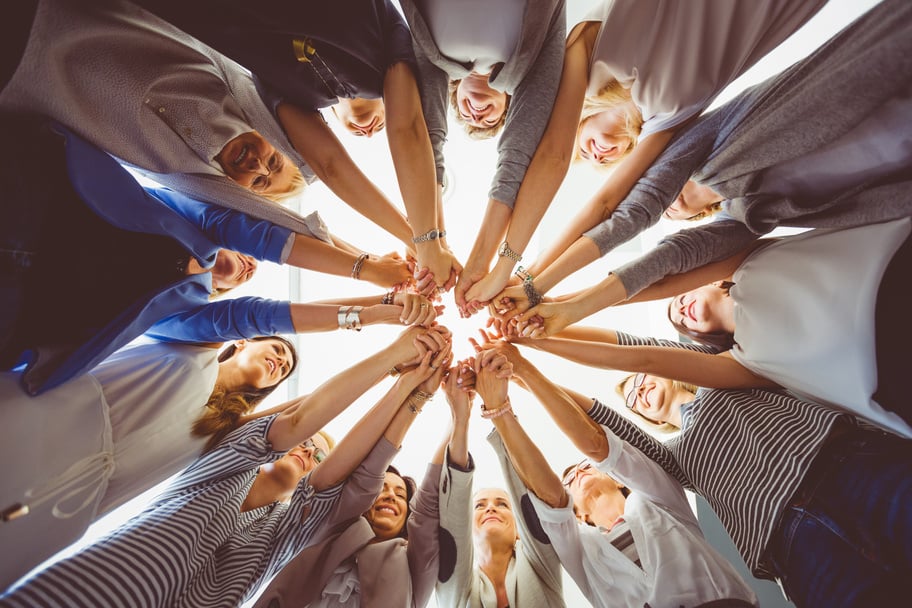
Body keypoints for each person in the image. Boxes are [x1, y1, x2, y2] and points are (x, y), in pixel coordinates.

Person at [491, 0, 912, 321]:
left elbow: (607, 203)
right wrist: (555, 300)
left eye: (585, 148)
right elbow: (661, 250)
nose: (597, 154)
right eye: (606, 160)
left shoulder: (701, 138)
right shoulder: (734, 202)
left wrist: (526, 277)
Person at [0, 326, 451, 606]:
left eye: (318, 454)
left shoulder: (288, 528)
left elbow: (344, 466)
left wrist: (412, 390)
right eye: (307, 444)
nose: (308, 451)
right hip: (80, 595)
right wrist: (397, 364)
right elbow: (297, 420)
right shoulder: (227, 463)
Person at [0, 118, 432, 395]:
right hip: (34, 204)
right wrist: (367, 268)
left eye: (244, 280)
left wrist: (374, 315)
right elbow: (258, 233)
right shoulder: (193, 215)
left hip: (22, 310)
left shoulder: (179, 316)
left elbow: (259, 317)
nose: (249, 267)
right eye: (249, 261)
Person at [506, 327, 912, 607]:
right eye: (630, 398)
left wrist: (537, 339)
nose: (639, 392)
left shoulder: (715, 376)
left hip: (844, 469)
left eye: (640, 380)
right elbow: (601, 425)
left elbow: (636, 347)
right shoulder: (673, 459)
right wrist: (526, 378)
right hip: (789, 539)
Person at [132, 0, 461, 290]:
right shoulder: (397, 38)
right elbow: (413, 132)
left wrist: (426, 242)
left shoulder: (281, 89)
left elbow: (330, 166)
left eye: (270, 168)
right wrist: (427, 240)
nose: (261, 165)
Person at [511, 217, 912, 436]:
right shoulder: (745, 362)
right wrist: (537, 340)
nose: (680, 309)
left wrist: (556, 304)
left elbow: (659, 277)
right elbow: (641, 357)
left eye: (676, 301)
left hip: (894, 268)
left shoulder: (746, 259)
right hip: (893, 380)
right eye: (679, 320)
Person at [470, 340, 757, 607]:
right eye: (569, 479)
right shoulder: (581, 548)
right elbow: (551, 499)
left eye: (585, 466)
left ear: (618, 480)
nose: (579, 472)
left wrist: (524, 369)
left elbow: (596, 444)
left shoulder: (656, 498)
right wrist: (498, 408)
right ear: (578, 514)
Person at [0, 335, 299, 590]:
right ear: (243, 341)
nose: (281, 363)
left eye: (285, 370)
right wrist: (342, 314)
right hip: (54, 428)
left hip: (77, 496)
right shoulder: (199, 347)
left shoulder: (226, 425)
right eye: (278, 350)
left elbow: (299, 411)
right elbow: (236, 312)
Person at [253, 357, 462, 608]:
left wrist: (459, 413)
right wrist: (417, 395)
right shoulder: (330, 532)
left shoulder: (414, 565)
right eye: (383, 489)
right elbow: (370, 472)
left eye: (400, 494)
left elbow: (428, 506)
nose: (391, 496)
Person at [397, 0, 565, 309]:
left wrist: (435, 243)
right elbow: (516, 157)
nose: (476, 115)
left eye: (468, 116)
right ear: (509, 105)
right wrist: (477, 261)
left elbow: (426, 140)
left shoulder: (436, 59)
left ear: (456, 92)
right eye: (490, 120)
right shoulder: (528, 65)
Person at [434, 355, 565, 608]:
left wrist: (498, 406)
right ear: (468, 526)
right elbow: (453, 518)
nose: (491, 508)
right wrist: (460, 418)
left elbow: (527, 497)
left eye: (503, 504)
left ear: (518, 531)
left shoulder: (541, 567)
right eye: (480, 505)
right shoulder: (455, 586)